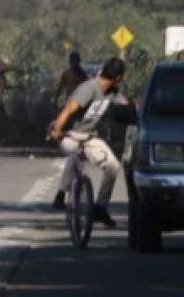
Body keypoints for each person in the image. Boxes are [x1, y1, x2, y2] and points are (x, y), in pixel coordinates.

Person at [48, 57, 128, 227]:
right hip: (69, 134)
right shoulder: (89, 87)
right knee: (75, 155)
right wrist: (57, 130)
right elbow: (69, 108)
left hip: (90, 137)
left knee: (113, 166)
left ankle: (100, 208)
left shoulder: (113, 92)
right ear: (119, 77)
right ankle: (63, 194)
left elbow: (125, 106)